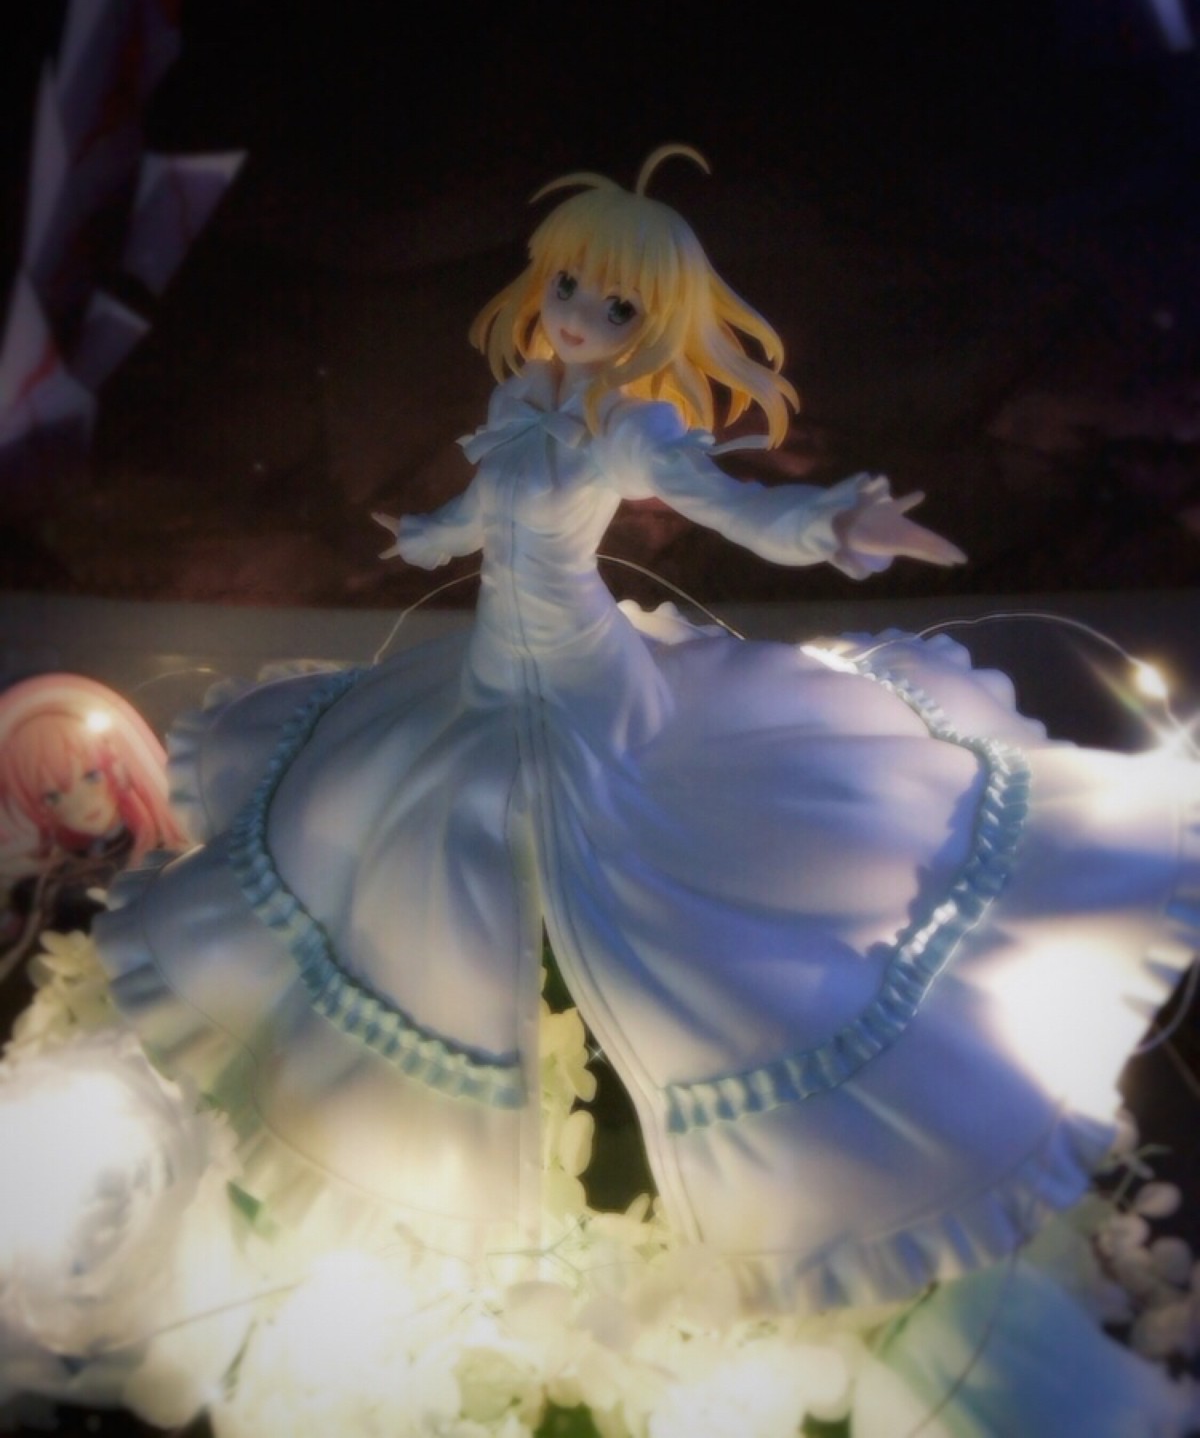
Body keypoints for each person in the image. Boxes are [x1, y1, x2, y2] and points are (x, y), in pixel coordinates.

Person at [96, 147, 1197, 1312]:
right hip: (489, 663)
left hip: (581, 673)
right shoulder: (522, 398)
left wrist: (833, 525)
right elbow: (483, 505)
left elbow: (734, 507)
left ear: (653, 320)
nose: (580, 317)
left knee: (616, 857)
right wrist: (427, 535)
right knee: (398, 814)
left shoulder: (631, 429)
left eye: (615, 306)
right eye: (569, 287)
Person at [0, 674, 186, 972]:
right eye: (53, 796)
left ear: (118, 769)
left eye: (91, 776)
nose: (81, 802)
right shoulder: (53, 875)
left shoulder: (161, 857)